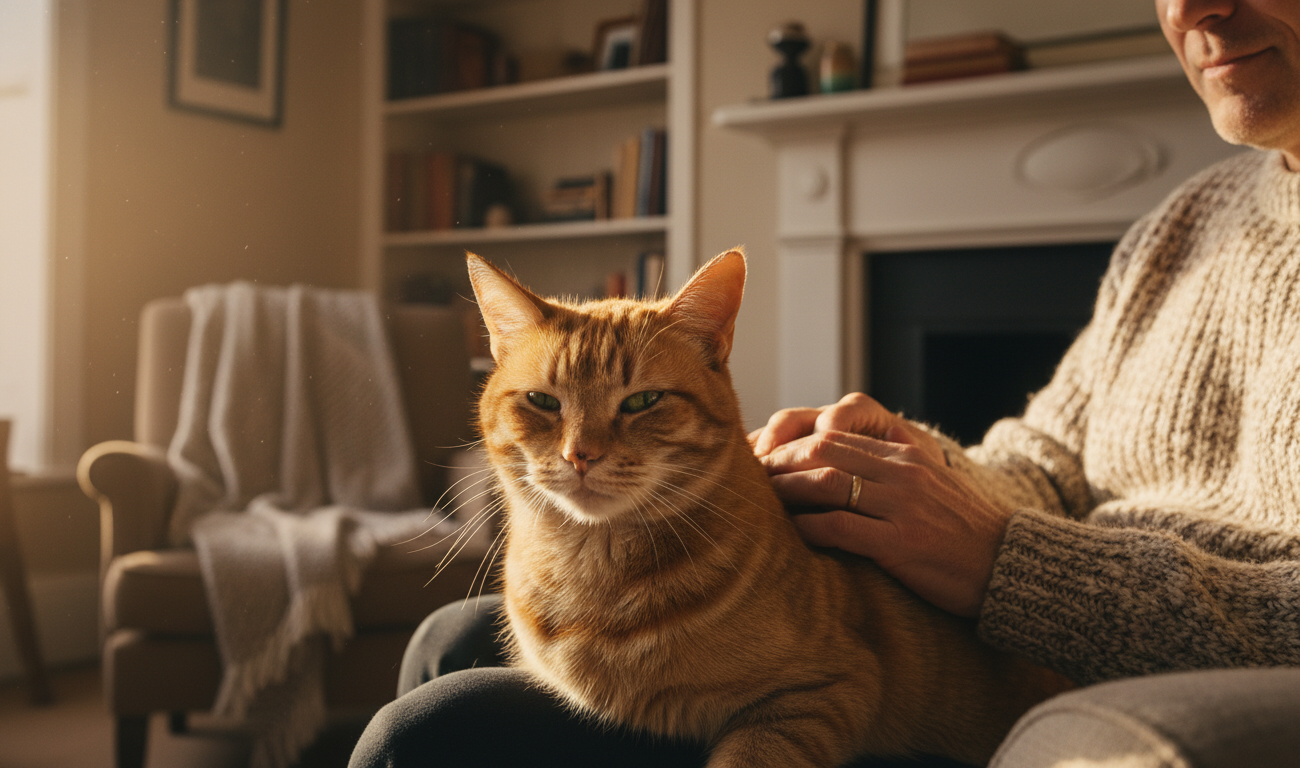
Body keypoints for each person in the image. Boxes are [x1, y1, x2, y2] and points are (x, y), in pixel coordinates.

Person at [350, 1, 1300, 765]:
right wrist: (903, 467)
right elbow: (1050, 459)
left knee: (425, 736)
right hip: (1019, 604)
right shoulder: (1187, 222)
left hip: (1071, 658)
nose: (1193, 9)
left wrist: (1013, 566)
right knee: (451, 637)